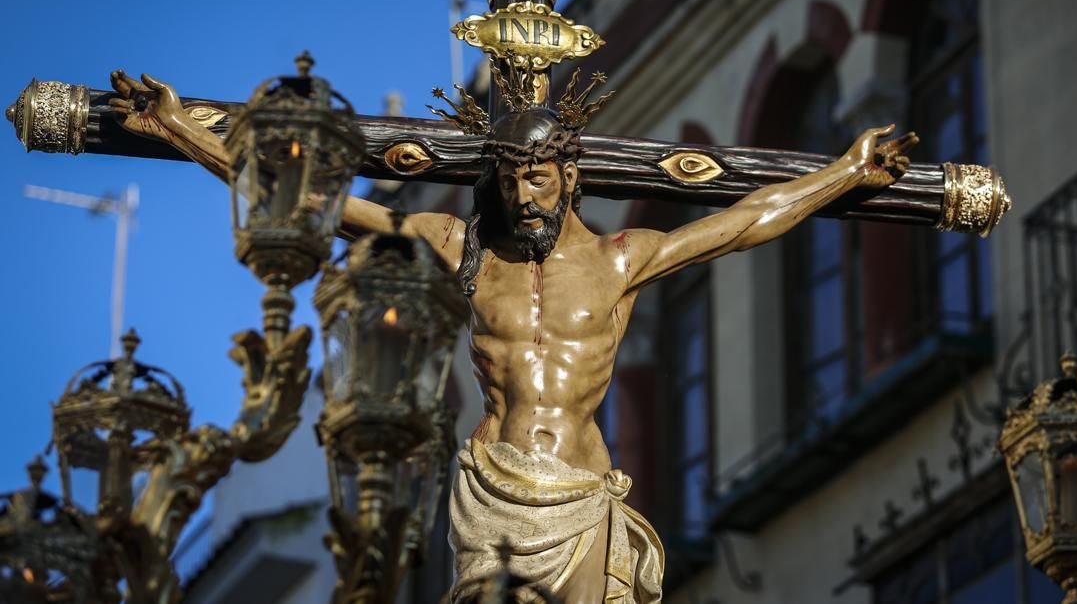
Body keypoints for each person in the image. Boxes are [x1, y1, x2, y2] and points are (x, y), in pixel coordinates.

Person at [108, 67, 914, 604]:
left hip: (580, 496)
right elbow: (316, 200)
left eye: (538, 177)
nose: (525, 195)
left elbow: (745, 220)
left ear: (569, 174)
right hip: (492, 490)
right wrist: (181, 130)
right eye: (509, 179)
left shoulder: (619, 260)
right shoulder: (461, 251)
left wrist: (846, 172)